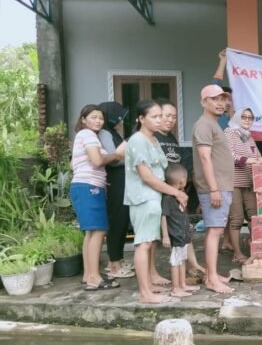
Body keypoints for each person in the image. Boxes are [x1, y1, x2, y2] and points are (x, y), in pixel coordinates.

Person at [125, 99, 188, 304]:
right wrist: (176, 193)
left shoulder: (153, 139)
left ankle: (149, 286)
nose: (160, 120)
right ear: (141, 119)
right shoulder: (137, 140)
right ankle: (145, 293)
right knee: (143, 244)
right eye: (155, 116)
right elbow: (148, 177)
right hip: (143, 198)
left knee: (149, 242)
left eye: (161, 115)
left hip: (155, 198)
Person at [70, 105, 126, 290]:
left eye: (100, 118)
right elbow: (97, 161)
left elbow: (73, 165)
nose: (98, 121)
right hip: (89, 188)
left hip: (85, 185)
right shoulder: (88, 135)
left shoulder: (82, 136)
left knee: (91, 232)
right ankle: (94, 277)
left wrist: (99, 178)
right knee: (99, 231)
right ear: (83, 119)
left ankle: (89, 275)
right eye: (93, 117)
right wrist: (117, 154)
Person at [192, 84, 236, 294]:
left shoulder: (214, 123)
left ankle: (212, 273)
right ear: (203, 102)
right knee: (215, 231)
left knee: (215, 230)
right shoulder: (204, 125)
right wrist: (214, 189)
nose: (220, 103)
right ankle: (211, 280)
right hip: (215, 187)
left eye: (223, 99)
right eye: (215, 99)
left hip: (221, 185)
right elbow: (204, 158)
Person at [156, 101, 205, 280]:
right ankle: (177, 275)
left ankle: (193, 265)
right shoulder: (153, 137)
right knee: (166, 236)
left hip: (177, 190)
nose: (170, 120)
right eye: (166, 116)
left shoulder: (171, 138)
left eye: (174, 117)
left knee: (184, 228)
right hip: (162, 192)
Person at [224, 107, 262, 263]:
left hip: (249, 181)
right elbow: (229, 155)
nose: (247, 120)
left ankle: (255, 248)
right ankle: (237, 253)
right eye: (243, 117)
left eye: (250, 118)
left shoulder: (249, 137)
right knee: (236, 219)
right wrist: (251, 160)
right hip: (234, 182)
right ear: (237, 117)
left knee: (254, 216)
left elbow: (256, 155)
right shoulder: (229, 132)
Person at [97, 101, 135, 279]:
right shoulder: (105, 133)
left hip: (122, 182)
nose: (121, 122)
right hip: (115, 183)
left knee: (122, 220)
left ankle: (118, 259)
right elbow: (113, 159)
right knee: (117, 222)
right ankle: (113, 264)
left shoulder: (112, 132)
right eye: (119, 118)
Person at [161, 163, 200, 298]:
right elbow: (164, 217)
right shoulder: (167, 198)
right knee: (175, 262)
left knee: (182, 260)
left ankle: (182, 284)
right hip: (175, 236)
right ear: (181, 181)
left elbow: (182, 215)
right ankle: (175, 288)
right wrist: (165, 235)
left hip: (183, 235)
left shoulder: (179, 197)